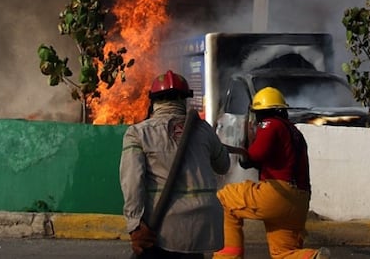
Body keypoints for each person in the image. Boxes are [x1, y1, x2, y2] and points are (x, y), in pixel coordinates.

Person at [120, 70, 231, 259]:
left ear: (153, 101)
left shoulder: (138, 133)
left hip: (162, 229)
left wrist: (135, 225)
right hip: (201, 227)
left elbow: (132, 183)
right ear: (184, 100)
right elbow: (223, 165)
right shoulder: (204, 130)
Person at [213, 87, 328, 259]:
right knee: (283, 254)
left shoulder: (271, 124)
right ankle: (313, 257)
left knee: (225, 199)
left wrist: (248, 156)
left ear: (262, 113)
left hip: (277, 193)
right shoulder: (295, 132)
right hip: (300, 201)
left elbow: (256, 154)